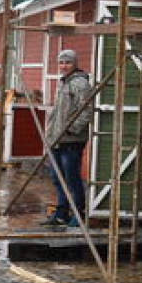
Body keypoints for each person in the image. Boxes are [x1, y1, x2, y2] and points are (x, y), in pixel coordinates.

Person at [44, 49, 92, 227]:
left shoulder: (80, 83)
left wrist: (72, 130)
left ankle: (78, 214)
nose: (64, 66)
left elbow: (87, 110)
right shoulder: (63, 83)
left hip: (71, 140)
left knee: (71, 178)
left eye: (68, 62)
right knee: (58, 178)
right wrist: (50, 135)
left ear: (75, 64)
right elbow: (57, 113)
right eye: (61, 63)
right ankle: (61, 212)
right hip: (57, 139)